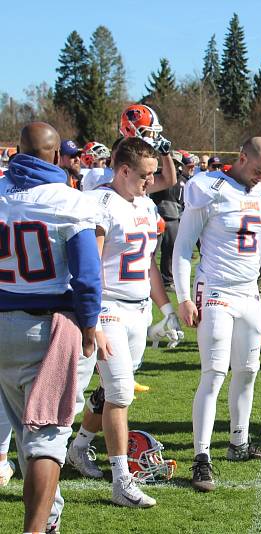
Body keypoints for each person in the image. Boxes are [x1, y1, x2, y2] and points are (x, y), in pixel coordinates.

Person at [67, 137, 180, 508]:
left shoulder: (145, 205)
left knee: (114, 390)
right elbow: (90, 265)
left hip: (139, 308)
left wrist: (166, 308)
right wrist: (92, 321)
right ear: (124, 170)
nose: (152, 181)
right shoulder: (100, 203)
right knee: (118, 393)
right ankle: (121, 481)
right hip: (108, 308)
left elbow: (147, 263)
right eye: (146, 175)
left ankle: (80, 446)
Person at [0, 122, 102, 533]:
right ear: (57, 157)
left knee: (28, 440)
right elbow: (89, 277)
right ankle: (36, 530)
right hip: (49, 329)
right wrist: (91, 326)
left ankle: (50, 521)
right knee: (46, 438)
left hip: (3, 325)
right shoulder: (69, 201)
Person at [173, 137, 261, 492]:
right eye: (258, 170)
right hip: (216, 292)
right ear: (241, 158)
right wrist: (182, 297)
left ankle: (238, 443)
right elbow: (182, 247)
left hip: (249, 294)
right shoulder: (207, 188)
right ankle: (201, 457)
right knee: (214, 373)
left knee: (249, 370)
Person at [150, 151, 191, 289]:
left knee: (170, 251)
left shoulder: (184, 181)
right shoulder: (158, 177)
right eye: (172, 162)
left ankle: (167, 281)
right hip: (157, 218)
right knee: (151, 251)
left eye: (176, 163)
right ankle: (147, 278)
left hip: (174, 219)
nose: (174, 165)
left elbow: (184, 201)